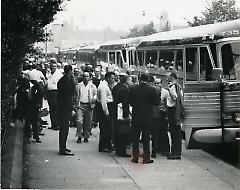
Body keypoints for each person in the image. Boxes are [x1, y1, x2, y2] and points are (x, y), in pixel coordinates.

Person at [129, 73, 159, 164]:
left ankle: (135, 157)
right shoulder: (152, 89)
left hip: (136, 116)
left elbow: (130, 101)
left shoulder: (133, 89)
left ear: (139, 79)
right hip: (147, 117)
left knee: (135, 138)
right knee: (146, 138)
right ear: (148, 80)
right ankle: (146, 158)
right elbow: (157, 103)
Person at [57, 65, 75, 156]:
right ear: (70, 71)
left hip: (62, 107)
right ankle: (62, 149)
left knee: (64, 129)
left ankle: (63, 147)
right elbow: (67, 97)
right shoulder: (67, 82)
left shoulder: (62, 80)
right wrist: (71, 108)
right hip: (65, 108)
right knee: (64, 129)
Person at [112, 73, 131, 157]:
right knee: (123, 132)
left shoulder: (116, 87)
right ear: (126, 81)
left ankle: (118, 148)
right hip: (122, 113)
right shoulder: (124, 90)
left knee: (117, 131)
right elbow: (125, 103)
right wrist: (126, 115)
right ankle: (121, 150)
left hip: (116, 112)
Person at [75, 72, 97, 143]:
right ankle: (79, 135)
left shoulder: (92, 86)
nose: (86, 78)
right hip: (80, 105)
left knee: (88, 122)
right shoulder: (79, 85)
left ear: (90, 77)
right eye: (84, 76)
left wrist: (94, 98)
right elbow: (76, 95)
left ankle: (86, 136)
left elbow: (96, 94)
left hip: (89, 105)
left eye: (87, 76)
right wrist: (76, 105)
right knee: (79, 121)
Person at [166, 72, 184, 159]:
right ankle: (175, 152)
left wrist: (169, 90)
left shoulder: (174, 87)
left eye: (168, 77)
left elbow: (175, 97)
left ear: (172, 77)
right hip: (174, 110)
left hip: (173, 111)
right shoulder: (177, 86)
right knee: (175, 132)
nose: (167, 78)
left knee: (175, 132)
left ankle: (176, 153)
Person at [96, 71, 115, 152]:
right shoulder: (103, 87)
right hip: (105, 108)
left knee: (106, 128)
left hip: (107, 107)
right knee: (105, 128)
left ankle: (106, 145)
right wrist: (106, 112)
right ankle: (104, 146)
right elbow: (103, 101)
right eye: (112, 78)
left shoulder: (105, 85)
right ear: (108, 78)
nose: (113, 80)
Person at [46, 59, 63, 130]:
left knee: (56, 108)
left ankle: (57, 124)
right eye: (52, 66)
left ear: (57, 67)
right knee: (51, 109)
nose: (53, 68)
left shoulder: (59, 75)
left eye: (54, 66)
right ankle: (53, 124)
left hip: (55, 92)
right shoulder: (49, 74)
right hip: (49, 92)